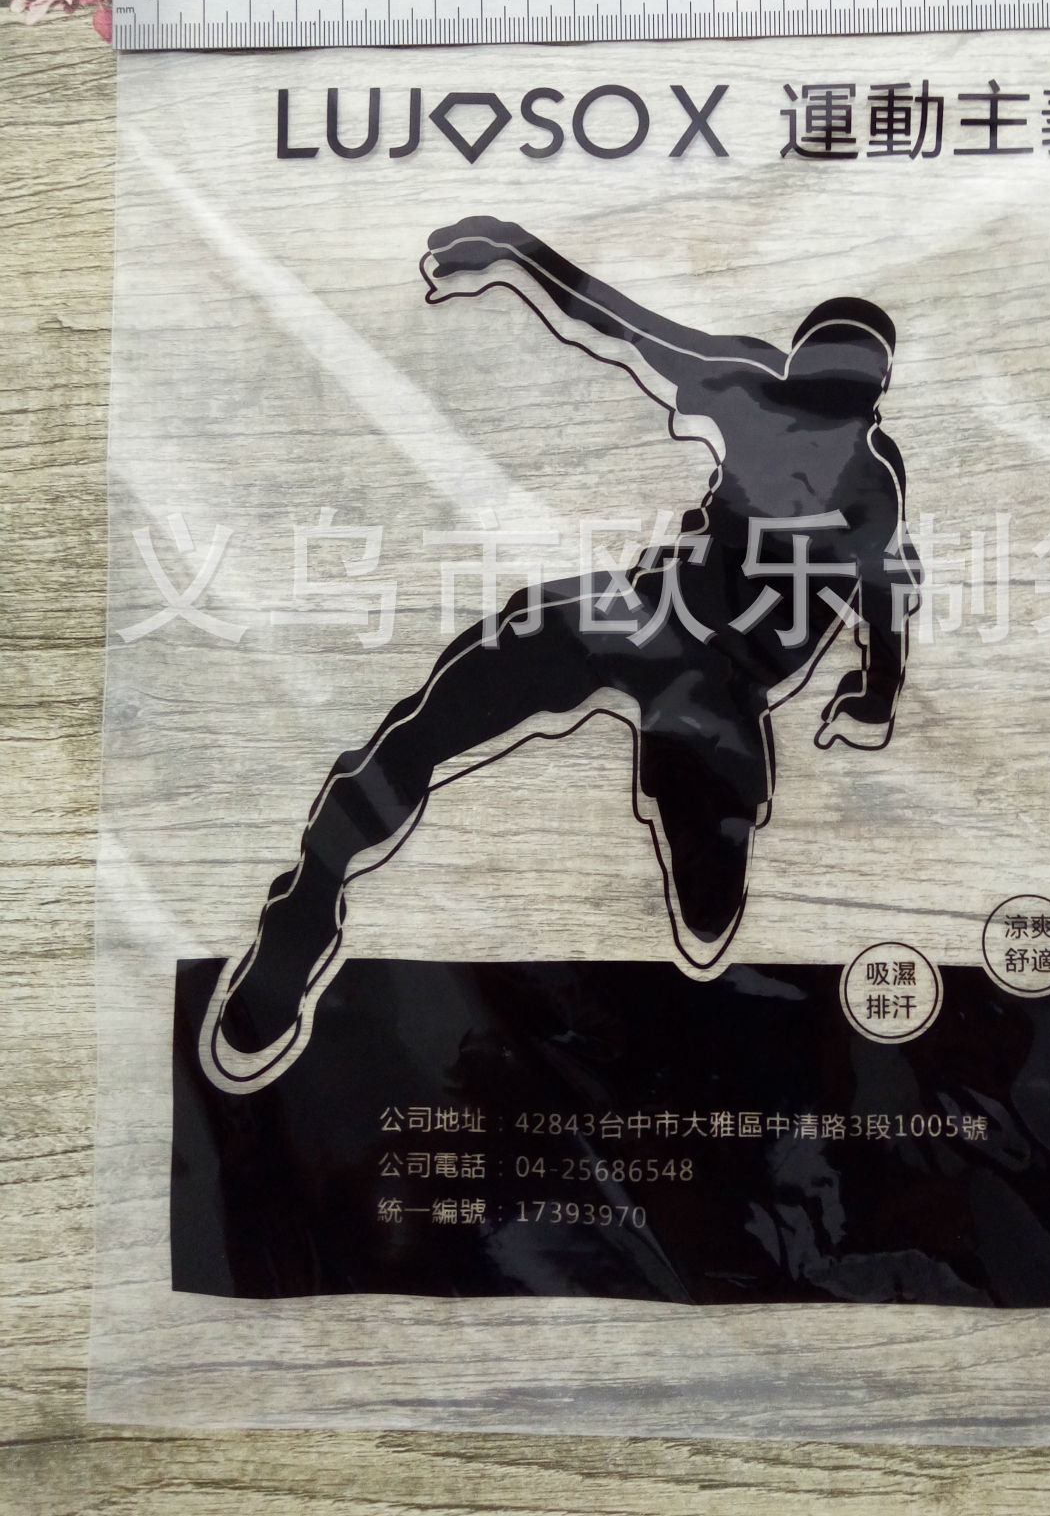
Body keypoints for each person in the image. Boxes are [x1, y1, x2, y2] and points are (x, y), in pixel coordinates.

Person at [203, 216, 921, 1091]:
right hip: (647, 616)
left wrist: (877, 688)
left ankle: (695, 901)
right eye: (810, 401)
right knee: (432, 725)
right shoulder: (769, 408)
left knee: (706, 906)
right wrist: (513, 251)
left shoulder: (858, 478)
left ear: (862, 403)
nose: (810, 444)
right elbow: (620, 321)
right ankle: (302, 917)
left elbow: (888, 599)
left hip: (710, 677)